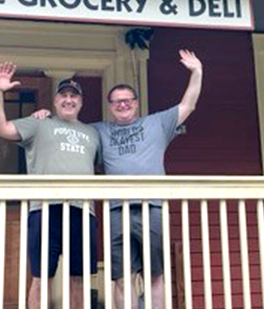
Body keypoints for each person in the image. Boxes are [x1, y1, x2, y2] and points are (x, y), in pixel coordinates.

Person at [35, 49, 203, 309]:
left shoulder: (157, 124)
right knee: (122, 278)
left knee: (155, 275)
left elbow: (188, 105)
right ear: (110, 106)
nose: (122, 105)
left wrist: (197, 72)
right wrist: (44, 117)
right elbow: (69, 131)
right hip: (116, 211)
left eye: (127, 100)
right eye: (116, 102)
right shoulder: (98, 131)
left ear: (135, 103)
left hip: (153, 207)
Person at [0, 62, 100, 309]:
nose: (69, 100)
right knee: (41, 278)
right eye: (64, 95)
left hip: (82, 210)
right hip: (44, 208)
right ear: (56, 101)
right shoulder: (38, 123)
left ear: (81, 103)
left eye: (74, 96)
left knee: (78, 279)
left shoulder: (93, 133)